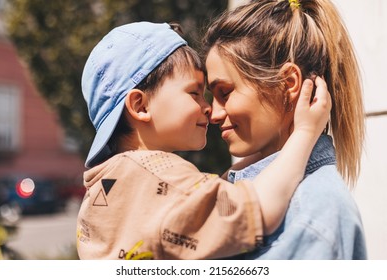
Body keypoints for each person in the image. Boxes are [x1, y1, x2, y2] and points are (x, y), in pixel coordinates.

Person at [76, 21, 331, 260]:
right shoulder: (161, 176)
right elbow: (257, 212)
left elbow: (200, 204)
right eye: (194, 93)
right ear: (140, 105)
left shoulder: (109, 185)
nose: (208, 107)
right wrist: (304, 133)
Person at [202, 0, 367, 259]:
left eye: (225, 92)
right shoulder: (237, 187)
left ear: (287, 83)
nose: (214, 113)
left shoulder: (313, 213)